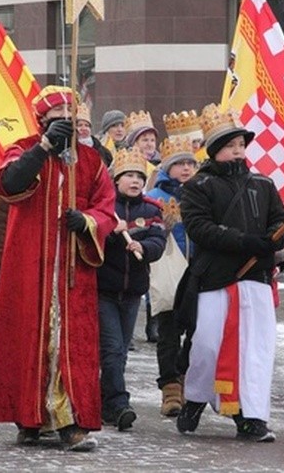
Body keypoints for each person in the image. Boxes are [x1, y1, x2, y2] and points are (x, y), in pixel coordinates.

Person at [0, 86, 117, 452]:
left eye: (72, 120)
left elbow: (106, 207)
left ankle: (70, 421)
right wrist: (44, 149)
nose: (67, 126)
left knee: (69, 344)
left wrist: (85, 221)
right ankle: (29, 418)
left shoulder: (91, 161)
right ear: (43, 122)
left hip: (73, 270)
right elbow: (7, 184)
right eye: (58, 120)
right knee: (28, 340)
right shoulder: (23, 149)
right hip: (29, 266)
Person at [176, 103, 284, 442]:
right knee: (208, 345)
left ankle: (250, 416)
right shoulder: (198, 186)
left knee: (255, 350)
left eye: (241, 145)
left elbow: (282, 221)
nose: (238, 151)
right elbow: (199, 228)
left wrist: (276, 239)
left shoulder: (263, 183)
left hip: (255, 278)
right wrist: (245, 242)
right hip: (215, 278)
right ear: (215, 151)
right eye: (231, 146)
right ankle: (196, 397)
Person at [98, 147, 166, 431]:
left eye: (139, 175)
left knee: (121, 351)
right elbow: (91, 241)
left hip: (133, 292)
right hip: (104, 291)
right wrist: (110, 234)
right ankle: (119, 403)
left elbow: (159, 242)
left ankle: (106, 403)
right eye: (128, 175)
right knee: (112, 349)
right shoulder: (105, 208)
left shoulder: (152, 210)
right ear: (116, 179)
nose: (135, 181)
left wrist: (145, 247)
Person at [146, 113, 199, 417]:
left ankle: (184, 377)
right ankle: (170, 388)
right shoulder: (154, 197)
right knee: (167, 332)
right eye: (180, 164)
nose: (186, 168)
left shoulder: (203, 193)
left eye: (190, 163)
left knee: (196, 331)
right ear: (168, 167)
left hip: (198, 272)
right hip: (167, 273)